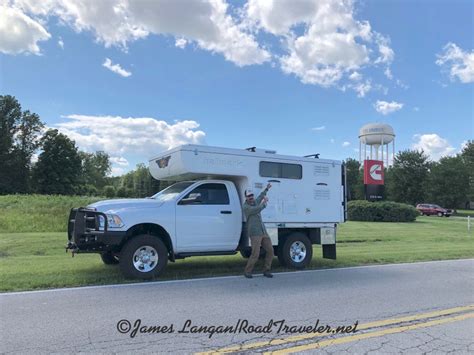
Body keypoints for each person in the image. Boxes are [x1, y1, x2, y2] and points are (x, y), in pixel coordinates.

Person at [243, 183, 274, 278]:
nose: (251, 197)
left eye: (251, 195)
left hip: (263, 231)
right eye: (249, 196)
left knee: (270, 251)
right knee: (255, 254)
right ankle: (247, 271)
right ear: (246, 197)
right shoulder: (246, 207)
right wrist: (264, 204)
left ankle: (266, 270)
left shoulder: (255, 202)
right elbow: (256, 209)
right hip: (255, 233)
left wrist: (267, 189)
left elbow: (260, 196)